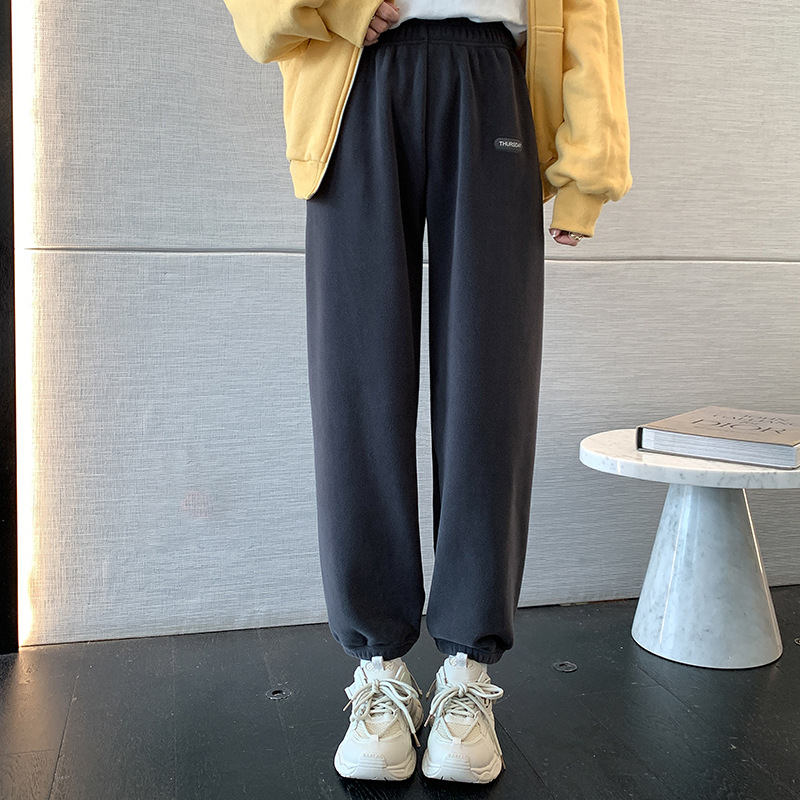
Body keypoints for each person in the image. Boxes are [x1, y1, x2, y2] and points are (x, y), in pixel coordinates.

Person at [221, 0, 632, 784]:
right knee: (355, 383)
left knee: (491, 382)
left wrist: (589, 169)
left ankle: (467, 670)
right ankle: (378, 667)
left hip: (493, 76)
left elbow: (588, 13)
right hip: (353, 75)